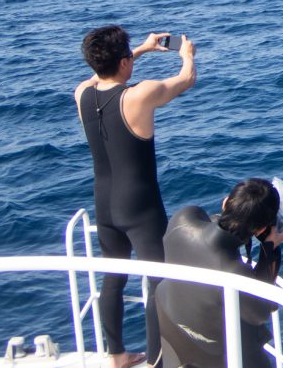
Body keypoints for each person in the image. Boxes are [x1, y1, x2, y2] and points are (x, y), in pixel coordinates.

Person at [75, 25, 197, 368]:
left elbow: (100, 76)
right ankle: (157, 360)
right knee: (159, 282)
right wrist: (186, 55)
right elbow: (186, 79)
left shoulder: (82, 94)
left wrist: (140, 51)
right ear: (124, 61)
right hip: (140, 208)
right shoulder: (139, 95)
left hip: (105, 204)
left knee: (113, 278)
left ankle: (116, 356)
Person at [155, 179, 283, 368]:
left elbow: (217, 227)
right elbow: (260, 313)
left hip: (172, 333)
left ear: (226, 202)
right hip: (211, 355)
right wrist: (269, 246)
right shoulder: (232, 271)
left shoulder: (183, 218)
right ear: (260, 229)